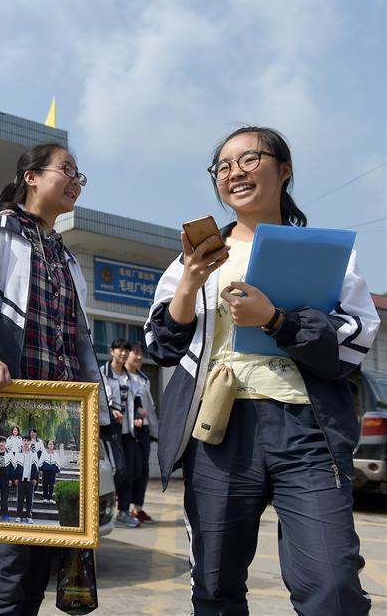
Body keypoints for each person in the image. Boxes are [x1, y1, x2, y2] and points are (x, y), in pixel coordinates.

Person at [145, 126, 378, 616]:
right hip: (219, 434)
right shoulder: (196, 258)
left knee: (334, 585)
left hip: (306, 434)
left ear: (284, 169)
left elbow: (356, 338)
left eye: (250, 159)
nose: (235, 173)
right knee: (213, 584)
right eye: (224, 167)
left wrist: (276, 320)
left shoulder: (325, 253)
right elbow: (161, 344)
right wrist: (189, 281)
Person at [0, 142, 112, 616]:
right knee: (2, 574)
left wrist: (95, 415)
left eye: (80, 174)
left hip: (56, 434)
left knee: (38, 573)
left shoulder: (64, 256)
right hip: (2, 427)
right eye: (67, 170)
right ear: (31, 177)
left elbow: (77, 348)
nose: (76, 180)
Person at [101, 339, 141, 528]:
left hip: (128, 431)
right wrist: (110, 411)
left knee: (131, 472)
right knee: (118, 470)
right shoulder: (102, 373)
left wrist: (138, 416)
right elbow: (100, 399)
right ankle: (102, 509)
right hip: (109, 431)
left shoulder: (130, 377)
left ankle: (123, 512)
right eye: (120, 349)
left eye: (126, 350)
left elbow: (137, 400)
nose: (123, 353)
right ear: (112, 351)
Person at [125, 344, 157, 524]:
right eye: (135, 353)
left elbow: (150, 409)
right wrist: (136, 413)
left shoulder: (145, 378)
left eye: (141, 354)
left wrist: (155, 430)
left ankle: (137, 508)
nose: (138, 357)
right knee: (131, 470)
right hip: (128, 428)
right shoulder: (123, 377)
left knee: (143, 470)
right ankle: (125, 508)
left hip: (143, 428)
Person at [14, 440, 40, 523]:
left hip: (30, 480)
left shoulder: (33, 454)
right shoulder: (18, 453)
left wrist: (35, 478)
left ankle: (29, 516)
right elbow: (15, 467)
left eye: (28, 441)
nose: (26, 443)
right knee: (20, 498)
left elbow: (36, 467)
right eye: (24, 441)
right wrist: (16, 478)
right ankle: (19, 515)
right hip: (21, 480)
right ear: (22, 442)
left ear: (29, 443)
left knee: (29, 499)